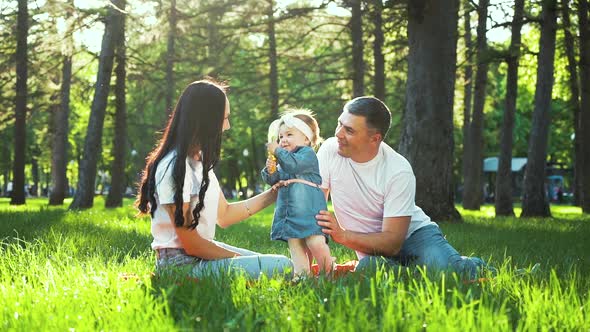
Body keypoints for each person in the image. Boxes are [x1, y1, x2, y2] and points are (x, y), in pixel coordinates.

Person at [315, 96, 487, 279]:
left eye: (349, 130)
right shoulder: (329, 151)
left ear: (374, 139)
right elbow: (312, 208)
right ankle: (409, 270)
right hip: (371, 248)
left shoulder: (397, 170)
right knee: (370, 270)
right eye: (339, 124)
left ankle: (470, 265)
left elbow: (392, 243)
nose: (338, 134)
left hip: (414, 236)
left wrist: (343, 236)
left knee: (445, 275)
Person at [136, 79, 293, 279]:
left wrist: (274, 194)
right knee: (283, 266)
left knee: (281, 264)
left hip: (200, 255)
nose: (227, 126)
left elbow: (225, 215)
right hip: (180, 266)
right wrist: (237, 260)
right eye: (224, 118)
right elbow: (192, 245)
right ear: (205, 120)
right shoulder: (174, 167)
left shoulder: (198, 163)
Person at [262, 110, 333, 277]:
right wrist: (270, 169)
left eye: (289, 134)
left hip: (308, 211)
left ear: (306, 139)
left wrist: (278, 152)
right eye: (280, 137)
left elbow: (294, 166)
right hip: (289, 212)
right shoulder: (284, 160)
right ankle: (302, 276)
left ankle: (328, 272)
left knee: (315, 242)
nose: (283, 140)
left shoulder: (307, 154)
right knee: (295, 245)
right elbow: (274, 179)